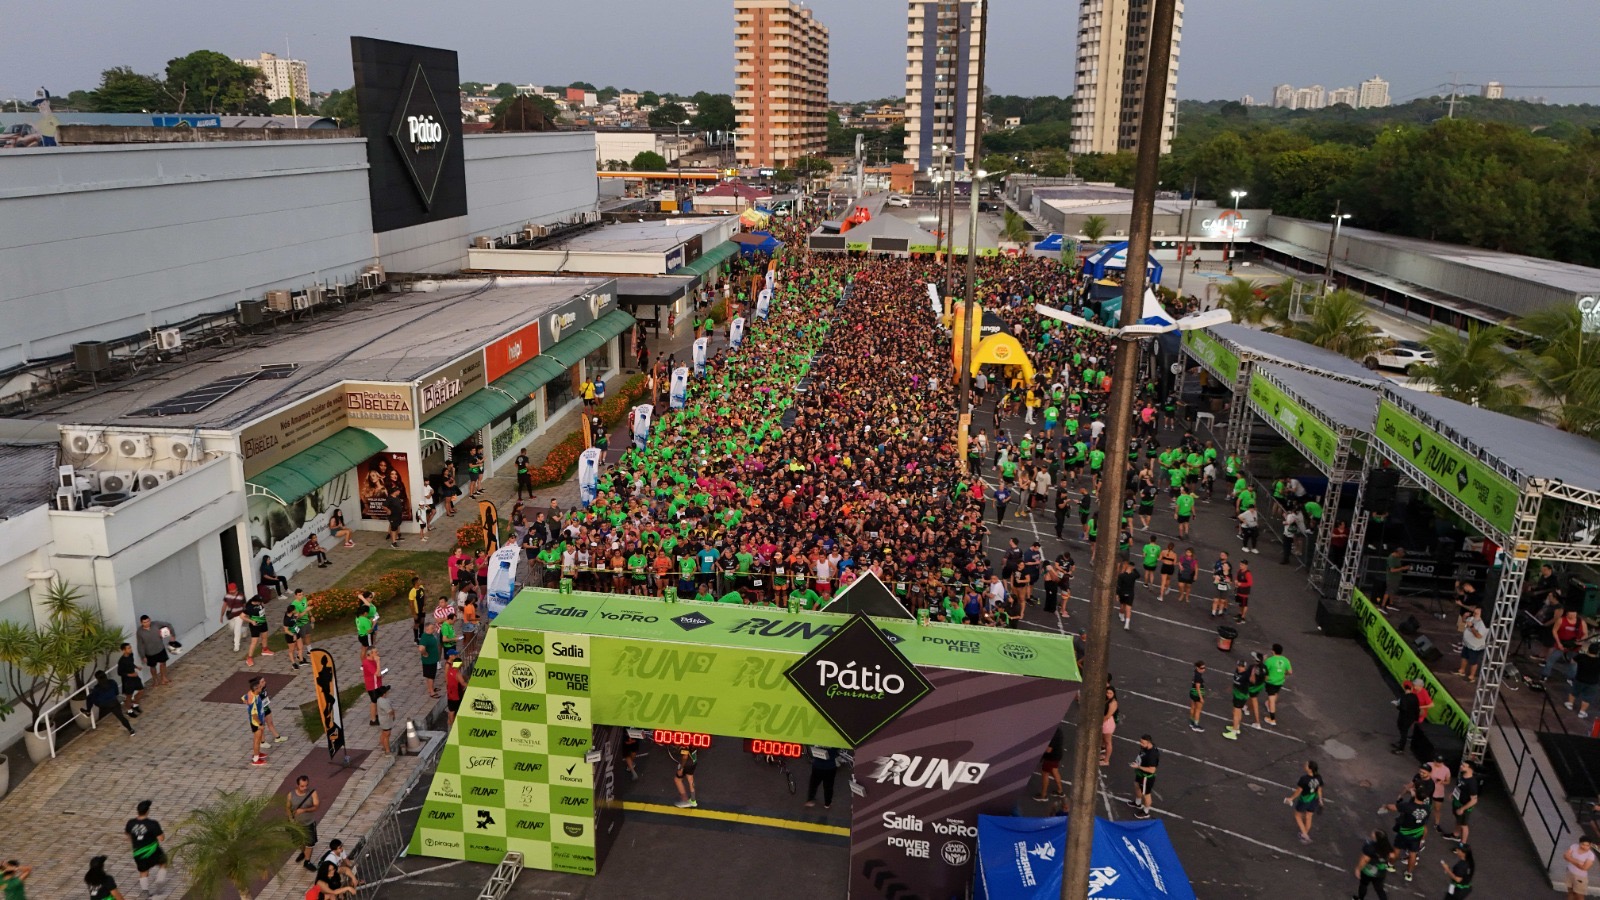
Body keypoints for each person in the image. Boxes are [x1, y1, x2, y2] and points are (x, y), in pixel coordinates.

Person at [1382, 785, 1432, 883]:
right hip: (1417, 834)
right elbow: (1418, 798)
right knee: (1413, 854)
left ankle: (1390, 865)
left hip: (1404, 833)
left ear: (1416, 795)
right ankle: (1409, 874)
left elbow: (1392, 807)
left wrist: (1386, 806)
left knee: (1396, 850)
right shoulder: (1427, 808)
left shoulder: (1407, 806)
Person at [125, 799, 169, 894]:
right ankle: (159, 880)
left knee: (143, 872)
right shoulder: (152, 824)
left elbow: (128, 835)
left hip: (138, 853)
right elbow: (161, 838)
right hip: (153, 851)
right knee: (163, 862)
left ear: (138, 811)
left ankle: (145, 891)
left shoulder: (130, 823)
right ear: (147, 811)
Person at [82, 669, 135, 736]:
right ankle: (131, 730)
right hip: (114, 703)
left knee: (90, 697)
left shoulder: (97, 688)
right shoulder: (112, 682)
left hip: (103, 705)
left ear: (97, 678)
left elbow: (94, 697)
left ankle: (88, 711)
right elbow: (116, 693)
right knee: (121, 717)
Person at [1284, 760, 1323, 844]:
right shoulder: (1318, 777)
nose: (1304, 765)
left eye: (1306, 765)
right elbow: (1319, 789)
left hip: (1305, 800)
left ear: (1310, 769)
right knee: (1309, 816)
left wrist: (1291, 798)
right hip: (1314, 799)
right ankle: (1304, 833)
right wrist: (1320, 799)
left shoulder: (1304, 779)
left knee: (1297, 816)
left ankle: (1305, 835)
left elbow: (1299, 790)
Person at [287, 775, 321, 870]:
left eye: (306, 785)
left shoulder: (312, 793)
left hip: (308, 823)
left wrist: (304, 810)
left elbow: (316, 806)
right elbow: (288, 807)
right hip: (296, 824)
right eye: (302, 786)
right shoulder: (291, 795)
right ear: (297, 785)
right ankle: (303, 852)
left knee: (310, 843)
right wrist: (291, 819)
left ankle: (307, 861)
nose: (304, 788)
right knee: (298, 841)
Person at [1443, 760, 1480, 843]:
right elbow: (1459, 786)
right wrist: (1453, 793)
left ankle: (1463, 845)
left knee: (1464, 825)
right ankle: (1455, 835)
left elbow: (1474, 800)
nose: (1461, 766)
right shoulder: (1463, 776)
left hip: (1464, 806)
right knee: (1458, 820)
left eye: (1463, 766)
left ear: (1470, 769)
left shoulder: (1472, 783)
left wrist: (1462, 809)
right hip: (1457, 802)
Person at [1353, 830, 1396, 900]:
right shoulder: (1387, 846)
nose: (1372, 832)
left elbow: (1365, 859)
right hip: (1381, 871)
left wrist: (1358, 869)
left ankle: (1360, 898)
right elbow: (1393, 855)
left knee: (1363, 885)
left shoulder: (1369, 846)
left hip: (1368, 870)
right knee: (1379, 889)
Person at [134, 615, 175, 687]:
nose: (147, 623)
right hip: (149, 652)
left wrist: (172, 635)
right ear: (141, 623)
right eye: (144, 622)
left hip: (160, 648)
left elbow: (168, 625)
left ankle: (163, 678)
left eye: (148, 621)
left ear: (150, 620)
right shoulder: (140, 632)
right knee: (152, 667)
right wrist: (142, 656)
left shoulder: (156, 624)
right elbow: (140, 644)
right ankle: (155, 680)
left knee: (163, 663)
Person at [1127, 735, 1158, 819]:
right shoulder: (1145, 748)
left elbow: (1152, 770)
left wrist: (1138, 767)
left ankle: (1146, 811)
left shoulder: (1152, 755)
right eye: (1140, 742)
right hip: (1140, 773)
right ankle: (1138, 803)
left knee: (1146, 794)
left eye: (1143, 743)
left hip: (1146, 777)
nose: (1140, 744)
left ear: (1149, 743)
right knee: (1136, 785)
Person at [1223, 658, 1253, 741]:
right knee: (1236, 711)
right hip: (1237, 693)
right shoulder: (1237, 671)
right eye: (1239, 666)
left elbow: (1252, 679)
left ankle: (1234, 732)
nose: (1240, 667)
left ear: (1245, 667)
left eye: (1242, 666)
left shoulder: (1246, 675)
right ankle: (1236, 726)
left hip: (1241, 695)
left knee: (1236, 712)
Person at [1263, 643, 1293, 726]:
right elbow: (1290, 672)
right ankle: (1268, 704)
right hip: (1279, 682)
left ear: (1273, 651)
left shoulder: (1269, 660)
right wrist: (1284, 674)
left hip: (1271, 682)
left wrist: (1264, 661)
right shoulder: (1285, 660)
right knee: (1276, 694)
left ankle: (1272, 719)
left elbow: (1264, 671)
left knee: (1272, 700)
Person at [1459, 606, 1488, 682]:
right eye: (1474, 612)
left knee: (1473, 661)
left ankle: (1471, 676)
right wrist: (1464, 616)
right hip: (1467, 643)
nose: (1474, 614)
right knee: (1464, 656)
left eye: (1476, 613)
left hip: (1475, 646)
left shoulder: (1483, 624)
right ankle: (1462, 670)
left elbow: (1479, 636)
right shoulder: (1472, 618)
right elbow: (1464, 621)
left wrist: (1471, 627)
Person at [243, 591, 272, 667]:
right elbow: (242, 616)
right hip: (255, 625)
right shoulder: (249, 607)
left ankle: (265, 649)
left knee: (265, 637)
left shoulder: (260, 604)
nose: (261, 603)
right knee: (254, 641)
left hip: (263, 622)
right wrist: (251, 621)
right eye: (260, 602)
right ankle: (249, 657)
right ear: (255, 601)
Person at [1036, 726, 1065, 801]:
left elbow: (1048, 750)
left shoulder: (1054, 733)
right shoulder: (1059, 731)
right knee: (1055, 771)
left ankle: (1043, 795)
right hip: (1057, 755)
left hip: (1051, 757)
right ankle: (1060, 791)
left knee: (1045, 773)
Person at [1393, 680, 1422, 754]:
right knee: (1404, 731)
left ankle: (1401, 748)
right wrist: (1416, 718)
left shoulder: (1404, 697)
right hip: (1411, 718)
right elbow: (1417, 708)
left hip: (1404, 718)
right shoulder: (1414, 697)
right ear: (1411, 687)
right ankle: (1401, 744)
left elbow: (1403, 708)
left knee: (1403, 732)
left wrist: (1397, 706)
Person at [115, 642, 143, 718]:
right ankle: (129, 710)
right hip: (127, 680)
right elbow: (120, 673)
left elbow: (131, 663)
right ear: (123, 650)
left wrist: (137, 667)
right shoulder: (121, 661)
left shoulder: (131, 655)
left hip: (135, 677)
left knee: (141, 691)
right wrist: (130, 675)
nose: (130, 649)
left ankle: (135, 705)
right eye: (128, 648)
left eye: (130, 647)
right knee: (129, 696)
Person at [221, 582, 247, 651]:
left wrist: (245, 613)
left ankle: (236, 645)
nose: (232, 592)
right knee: (232, 628)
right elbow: (224, 605)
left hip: (239, 615)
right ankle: (244, 630)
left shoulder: (241, 596)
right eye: (230, 591)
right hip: (231, 615)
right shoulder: (227, 596)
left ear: (236, 589)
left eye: (233, 590)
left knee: (237, 630)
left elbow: (244, 605)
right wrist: (222, 615)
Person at [418, 621, 442, 698]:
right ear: (427, 629)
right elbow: (421, 648)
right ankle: (431, 692)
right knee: (430, 676)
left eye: (434, 628)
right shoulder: (425, 637)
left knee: (431, 675)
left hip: (433, 660)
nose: (434, 629)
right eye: (432, 628)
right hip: (429, 661)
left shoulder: (430, 635)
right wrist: (425, 653)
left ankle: (431, 688)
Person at [1116, 560, 1137, 631]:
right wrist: (1134, 568)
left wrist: (1117, 594)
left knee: (1123, 606)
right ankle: (1127, 624)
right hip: (1130, 594)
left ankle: (1122, 616)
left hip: (1122, 593)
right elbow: (1138, 575)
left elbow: (1118, 586)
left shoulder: (1121, 576)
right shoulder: (1133, 576)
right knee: (1128, 609)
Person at [375, 684, 397, 753]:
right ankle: (387, 750)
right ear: (384, 694)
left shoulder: (380, 699)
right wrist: (394, 712)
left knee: (384, 734)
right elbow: (390, 711)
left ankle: (384, 746)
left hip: (384, 720)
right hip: (386, 721)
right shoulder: (383, 702)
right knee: (387, 735)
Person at [1187, 660, 1207, 732]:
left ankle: (1191, 722)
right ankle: (1195, 725)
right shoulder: (1198, 677)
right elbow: (1198, 687)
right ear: (1198, 668)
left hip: (1192, 692)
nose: (1203, 669)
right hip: (1197, 694)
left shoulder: (1195, 672)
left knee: (1193, 707)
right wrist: (1201, 697)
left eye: (1204, 668)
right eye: (1202, 668)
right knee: (1198, 710)